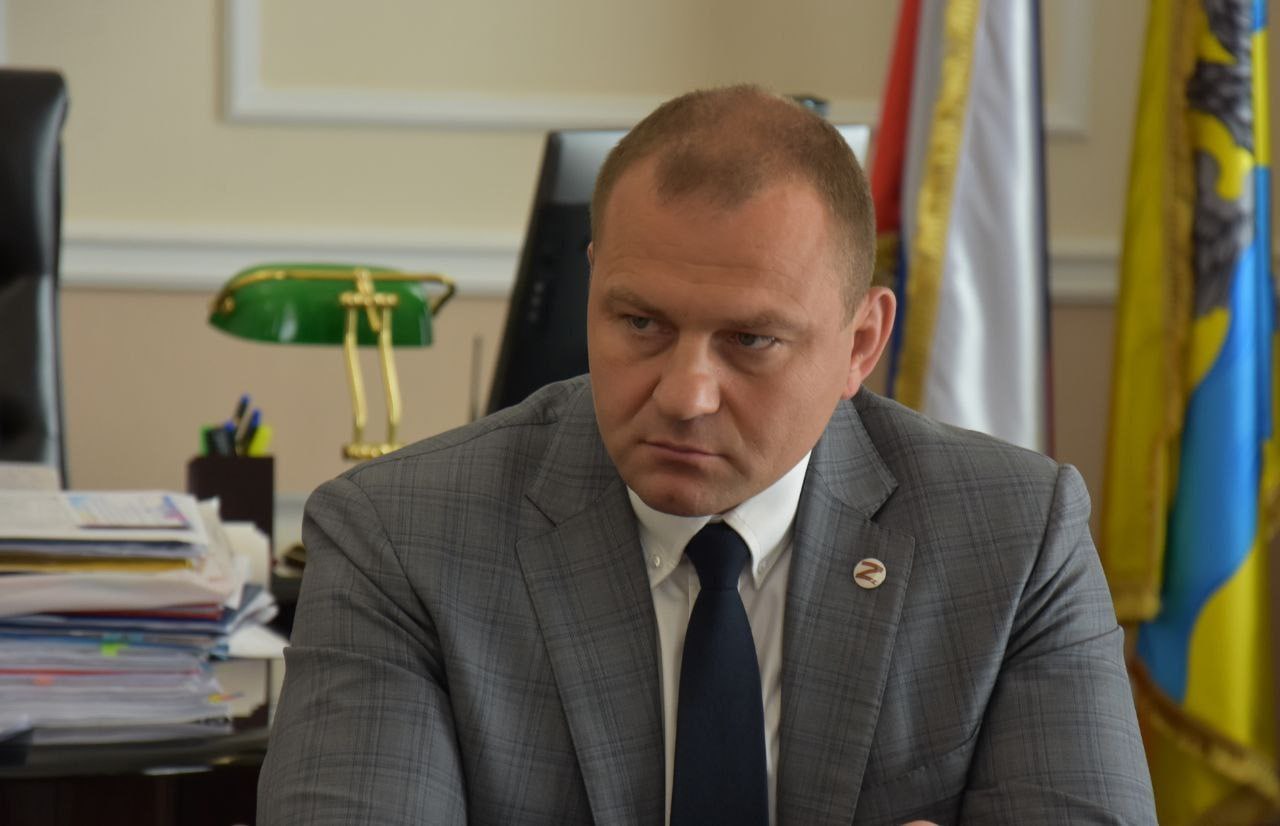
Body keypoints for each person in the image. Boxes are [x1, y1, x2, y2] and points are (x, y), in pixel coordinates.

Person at [258, 85, 1156, 825]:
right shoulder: (401, 539)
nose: (686, 394)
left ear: (860, 344)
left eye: (751, 341)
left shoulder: (1015, 537)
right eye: (639, 322)